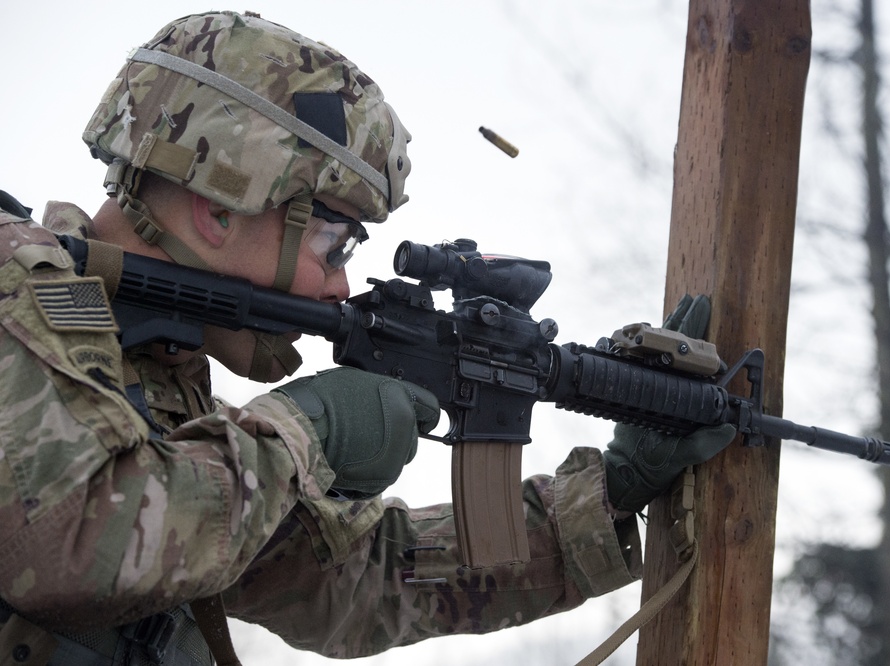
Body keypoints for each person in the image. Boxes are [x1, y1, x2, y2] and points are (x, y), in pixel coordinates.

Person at [0, 11, 735, 665]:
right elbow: (71, 546)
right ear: (217, 206)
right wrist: (305, 430)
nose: (340, 286)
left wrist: (610, 494)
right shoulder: (13, 280)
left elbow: (356, 581)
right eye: (333, 240)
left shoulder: (151, 385)